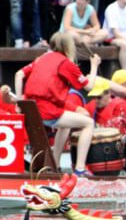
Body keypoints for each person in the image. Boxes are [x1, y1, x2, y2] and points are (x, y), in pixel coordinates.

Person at [14, 32, 101, 176]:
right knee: (88, 123)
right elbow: (89, 86)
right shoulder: (66, 63)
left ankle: (55, 165)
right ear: (68, 47)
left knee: (65, 125)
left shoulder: (42, 58)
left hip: (31, 109)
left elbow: (19, 74)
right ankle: (80, 169)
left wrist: (19, 103)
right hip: (46, 110)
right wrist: (94, 66)